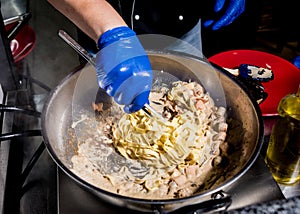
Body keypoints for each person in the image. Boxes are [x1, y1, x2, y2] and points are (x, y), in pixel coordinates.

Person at [47, 0, 246, 113]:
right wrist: (111, 33)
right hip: (104, 32)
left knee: (193, 98)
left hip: (183, 27)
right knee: (99, 109)